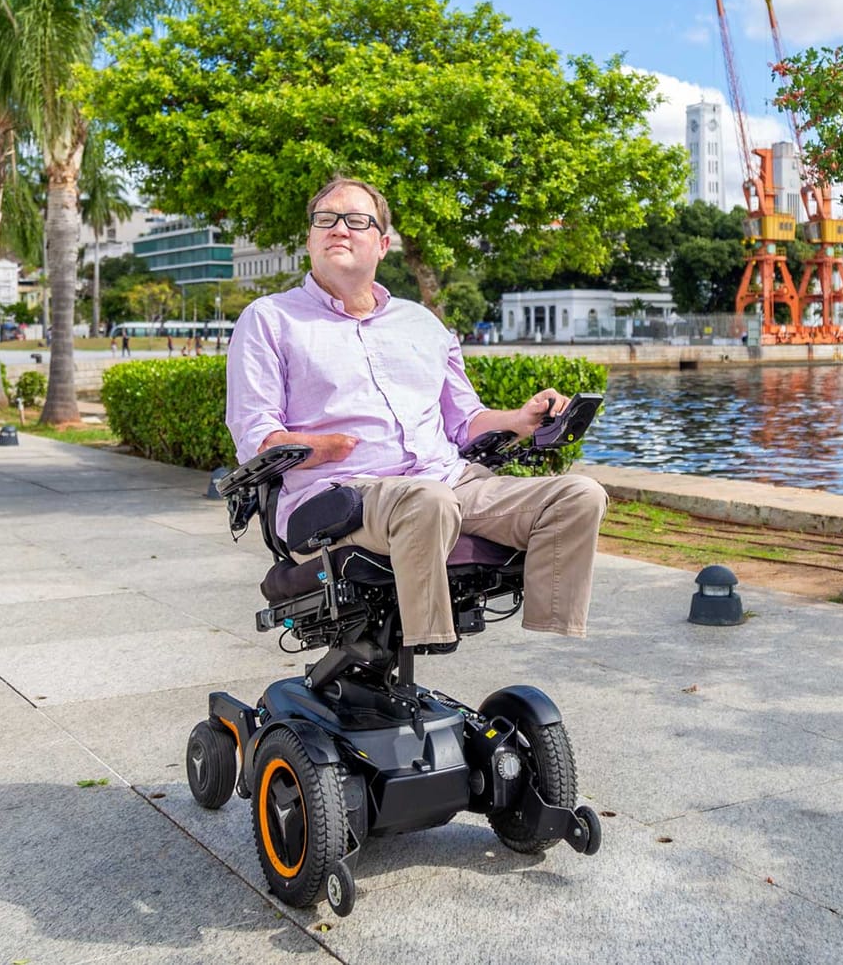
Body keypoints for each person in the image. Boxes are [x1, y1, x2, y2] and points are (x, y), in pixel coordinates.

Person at [226, 176, 608, 655]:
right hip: (341, 497)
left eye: (356, 221)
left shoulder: (422, 323)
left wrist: (519, 418)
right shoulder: (269, 319)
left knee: (578, 495)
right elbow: (256, 439)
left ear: (382, 244)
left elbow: (464, 421)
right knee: (427, 501)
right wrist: (325, 446)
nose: (338, 229)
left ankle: (552, 633)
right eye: (325, 219)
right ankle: (429, 638)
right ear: (310, 238)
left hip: (449, 482)